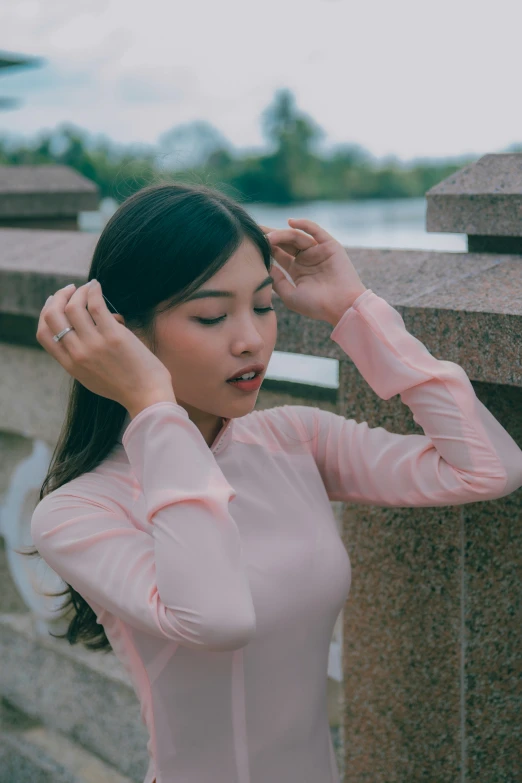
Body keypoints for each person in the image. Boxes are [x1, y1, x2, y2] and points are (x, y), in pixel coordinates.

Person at [27, 182, 522, 783]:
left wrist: (355, 309)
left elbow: (488, 467)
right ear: (123, 334)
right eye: (211, 315)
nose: (251, 339)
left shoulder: (295, 440)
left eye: (263, 306)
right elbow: (218, 619)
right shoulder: (77, 511)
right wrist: (154, 406)